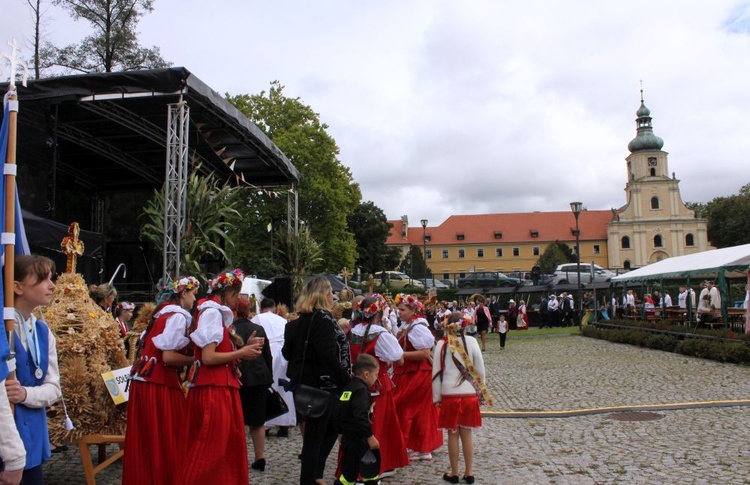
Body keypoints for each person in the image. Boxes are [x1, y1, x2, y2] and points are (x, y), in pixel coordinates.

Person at [175, 269, 264, 485]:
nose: (238, 300)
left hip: (218, 389)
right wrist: (241, 353)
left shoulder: (213, 312)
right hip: (214, 392)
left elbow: (216, 355)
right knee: (209, 454)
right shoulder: (212, 312)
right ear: (227, 292)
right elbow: (208, 357)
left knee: (223, 453)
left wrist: (242, 349)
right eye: (236, 294)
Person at [123, 276, 199, 485]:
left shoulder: (160, 314)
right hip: (159, 385)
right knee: (167, 439)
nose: (193, 300)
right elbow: (168, 357)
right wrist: (196, 358)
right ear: (183, 293)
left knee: (144, 441)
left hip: (141, 382)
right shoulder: (178, 316)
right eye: (192, 294)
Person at [282, 275, 351, 485]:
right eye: (330, 292)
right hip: (324, 385)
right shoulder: (324, 320)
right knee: (316, 435)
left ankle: (315, 475)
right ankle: (310, 478)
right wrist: (347, 381)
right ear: (322, 295)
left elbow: (287, 353)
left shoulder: (294, 323)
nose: (333, 296)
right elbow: (328, 355)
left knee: (328, 429)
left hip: (305, 384)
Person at [5, 255, 62, 485]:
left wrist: (26, 395)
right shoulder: (3, 330)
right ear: (17, 286)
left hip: (33, 440)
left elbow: (54, 387)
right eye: (42, 279)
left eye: (51, 278)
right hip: (7, 440)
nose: (52, 285)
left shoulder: (43, 332)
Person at [348, 295, 408, 478]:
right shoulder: (381, 334)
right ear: (379, 312)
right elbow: (399, 359)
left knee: (358, 424)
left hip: (355, 384)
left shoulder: (352, 332)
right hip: (378, 386)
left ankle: (355, 464)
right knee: (380, 425)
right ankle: (376, 465)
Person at [432, 312, 491, 484]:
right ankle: (470, 472)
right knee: (467, 434)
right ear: (464, 325)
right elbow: (480, 370)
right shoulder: (472, 342)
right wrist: (480, 392)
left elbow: (436, 374)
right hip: (469, 394)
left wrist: (437, 397)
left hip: (449, 394)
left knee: (452, 433)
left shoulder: (441, 345)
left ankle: (454, 472)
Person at [393, 294, 442, 462]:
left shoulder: (417, 327)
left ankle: (420, 447)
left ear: (413, 311)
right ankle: (421, 446)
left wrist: (400, 354)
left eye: (402, 309)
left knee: (409, 408)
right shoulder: (409, 325)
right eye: (398, 309)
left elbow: (424, 353)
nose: (398, 312)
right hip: (409, 372)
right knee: (418, 409)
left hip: (417, 373)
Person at [234, 297, 273, 473]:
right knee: (258, 421)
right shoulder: (258, 329)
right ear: (248, 310)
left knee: (238, 421)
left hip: (239, 378)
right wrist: (269, 377)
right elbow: (267, 356)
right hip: (259, 378)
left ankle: (238, 458)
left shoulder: (230, 330)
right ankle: (260, 457)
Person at [252, 298, 296, 436]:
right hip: (282, 352)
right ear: (275, 308)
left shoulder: (257, 318)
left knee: (268, 385)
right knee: (283, 387)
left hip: (267, 350)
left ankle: (266, 423)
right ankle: (284, 424)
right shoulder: (281, 319)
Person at [335, 354, 380, 485]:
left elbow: (341, 411)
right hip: (360, 439)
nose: (376, 378)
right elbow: (360, 416)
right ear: (366, 374)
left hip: (348, 438)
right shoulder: (362, 391)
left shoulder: (348, 388)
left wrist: (341, 432)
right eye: (376, 375)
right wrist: (370, 436)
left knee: (349, 473)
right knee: (370, 470)